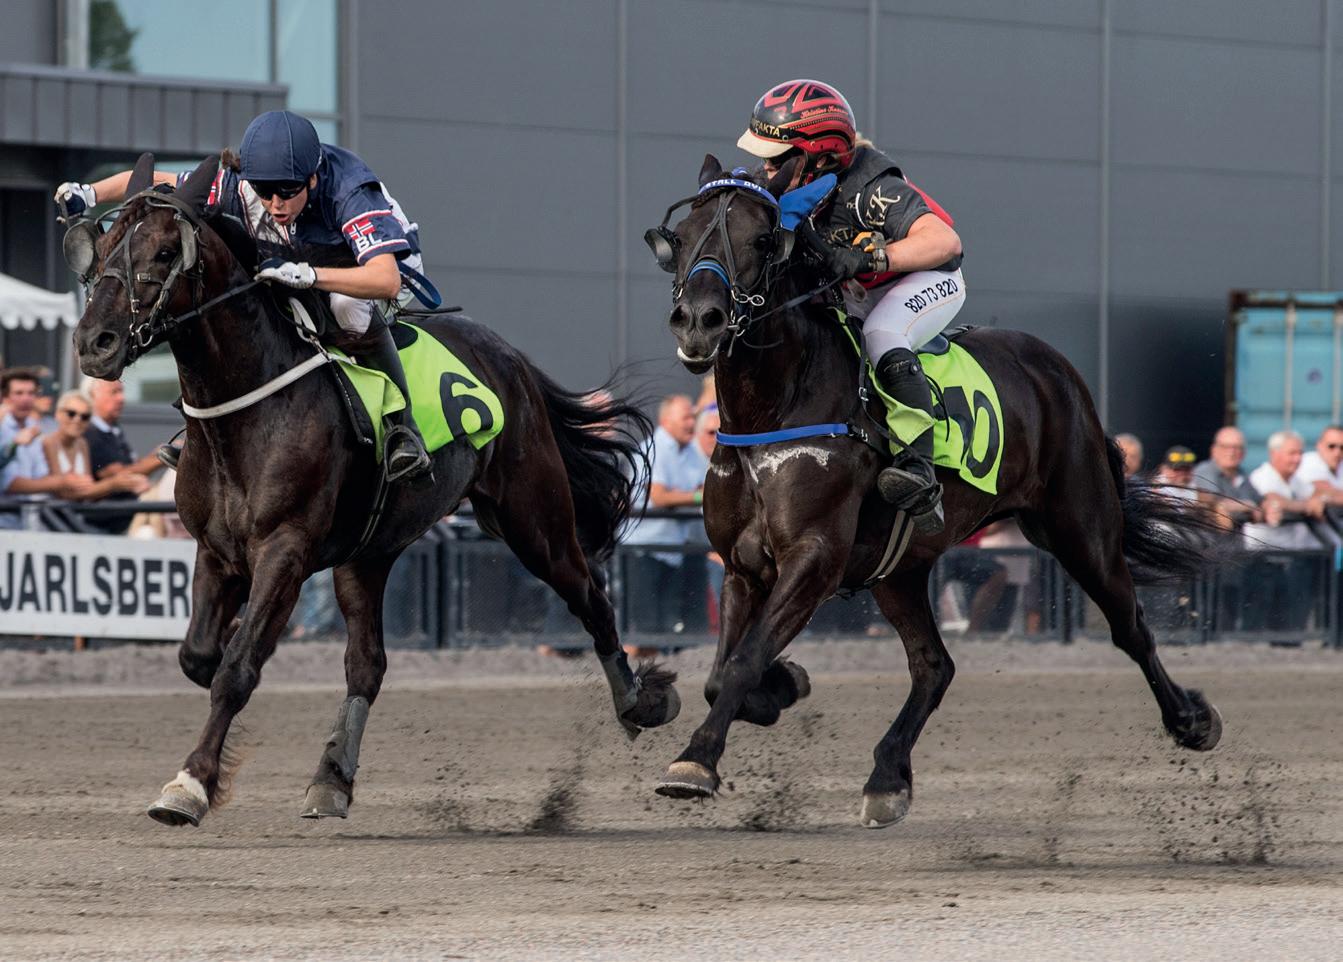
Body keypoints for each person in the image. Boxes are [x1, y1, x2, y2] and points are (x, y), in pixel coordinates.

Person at [55, 110, 433, 481]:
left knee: (346, 306)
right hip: (300, 257)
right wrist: (89, 193)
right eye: (265, 192)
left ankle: (402, 427)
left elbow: (385, 280)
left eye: (287, 191)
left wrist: (309, 276)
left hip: (378, 268)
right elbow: (154, 182)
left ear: (313, 179)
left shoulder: (349, 192)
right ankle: (205, 430)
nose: (275, 203)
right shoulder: (242, 187)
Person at [736, 79, 964, 535]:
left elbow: (946, 242)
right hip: (856, 290)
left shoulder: (873, 188)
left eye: (778, 159)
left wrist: (871, 259)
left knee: (881, 335)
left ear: (820, 156)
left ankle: (918, 466)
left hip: (922, 278)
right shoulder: (784, 182)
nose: (766, 167)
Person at [621, 395, 705, 639]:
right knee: (643, 628)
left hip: (673, 550)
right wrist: (697, 496)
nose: (692, 423)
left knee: (666, 627)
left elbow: (704, 486)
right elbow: (659, 496)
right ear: (666, 421)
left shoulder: (691, 452)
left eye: (693, 417)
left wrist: (688, 495)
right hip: (643, 550)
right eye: (686, 418)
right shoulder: (653, 449)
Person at [1241, 430, 1325, 635]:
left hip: (1289, 558)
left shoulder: (1296, 481)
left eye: (1300, 453)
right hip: (1261, 558)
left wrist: (1315, 501)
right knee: (1257, 618)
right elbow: (1274, 499)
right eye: (1292, 453)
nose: (1297, 459)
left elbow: (1315, 497)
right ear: (1274, 453)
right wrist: (1306, 506)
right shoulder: (1262, 476)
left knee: (1287, 620)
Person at [0, 370, 94, 528]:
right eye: (19, 393)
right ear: (5, 397)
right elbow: (10, 485)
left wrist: (66, 481)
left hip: (29, 522)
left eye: (31, 393)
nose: (25, 399)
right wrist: (62, 482)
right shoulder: (2, 427)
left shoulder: (34, 427)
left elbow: (41, 476)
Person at [81, 377, 162, 534]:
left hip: (125, 510)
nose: (121, 398)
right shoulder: (90, 433)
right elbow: (120, 474)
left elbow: (132, 465)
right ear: (92, 396)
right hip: (109, 519)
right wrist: (161, 458)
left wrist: (156, 455)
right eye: (114, 392)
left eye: (121, 392)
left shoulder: (113, 428)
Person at [41, 389, 150, 502]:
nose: (77, 420)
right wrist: (114, 484)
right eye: (71, 414)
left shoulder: (82, 443)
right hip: (54, 511)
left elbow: (88, 488)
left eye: (85, 416)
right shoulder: (49, 442)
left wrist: (126, 482)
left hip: (79, 510)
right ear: (58, 414)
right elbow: (63, 493)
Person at [1191, 426, 1264, 530]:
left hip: (1235, 539)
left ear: (1244, 452)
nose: (1231, 452)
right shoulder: (1205, 471)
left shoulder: (1242, 474)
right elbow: (1212, 502)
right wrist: (1248, 505)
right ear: (1214, 450)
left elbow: (1259, 501)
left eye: (1237, 447)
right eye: (1225, 447)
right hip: (1208, 539)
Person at [1296, 424, 1343, 505]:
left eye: (1342, 447)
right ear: (1319, 445)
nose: (1337, 452)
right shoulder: (1309, 461)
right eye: (1331, 446)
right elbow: (1326, 491)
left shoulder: (1340, 465)